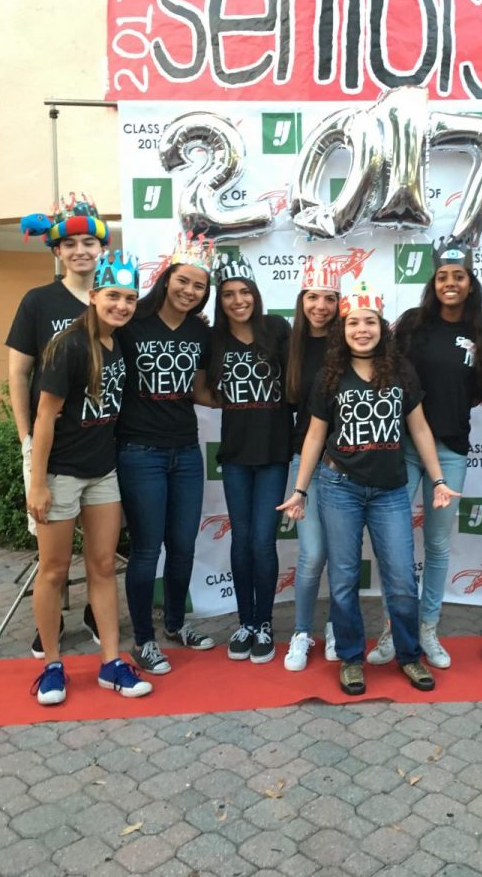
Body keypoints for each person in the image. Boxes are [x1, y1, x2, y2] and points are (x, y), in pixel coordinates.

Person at [277, 280, 460, 697]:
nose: (363, 329)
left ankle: (409, 656)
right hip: (339, 487)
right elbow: (313, 438)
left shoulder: (400, 371)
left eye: (371, 322)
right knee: (342, 578)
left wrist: (439, 480)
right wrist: (301, 491)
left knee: (399, 578)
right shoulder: (330, 374)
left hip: (391, 492)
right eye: (355, 322)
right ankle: (352, 659)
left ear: (382, 327)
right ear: (344, 329)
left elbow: (419, 428)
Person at [27, 251, 152, 705]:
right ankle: (52, 667)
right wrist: (37, 483)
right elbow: (44, 417)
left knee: (102, 566)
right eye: (113, 296)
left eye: (130, 299)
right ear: (94, 295)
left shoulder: (119, 342)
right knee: (54, 570)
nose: (121, 305)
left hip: (103, 473)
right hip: (60, 473)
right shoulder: (69, 344)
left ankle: (110, 662)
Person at [368, 239, 482, 670]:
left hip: (453, 451)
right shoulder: (411, 326)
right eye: (443, 276)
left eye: (458, 276)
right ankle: (392, 628)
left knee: (438, 545)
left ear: (470, 282)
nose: (450, 283)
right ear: (434, 281)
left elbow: (481, 391)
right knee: (395, 544)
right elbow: (387, 376)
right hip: (403, 448)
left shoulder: (481, 334)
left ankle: (427, 630)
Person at [7, 195, 106, 657]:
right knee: (52, 553)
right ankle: (53, 622)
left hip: (101, 446)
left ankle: (93, 613)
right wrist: (27, 440)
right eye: (72, 244)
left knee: (101, 551)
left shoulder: (113, 299)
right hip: (51, 443)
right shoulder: (39, 301)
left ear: (102, 249)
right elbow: (19, 373)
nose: (81, 250)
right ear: (57, 252)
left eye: (90, 242)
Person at [117, 233, 216, 675]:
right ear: (167, 278)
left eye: (198, 286)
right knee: (145, 550)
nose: (189, 291)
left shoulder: (200, 331)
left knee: (182, 546)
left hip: (186, 451)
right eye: (183, 281)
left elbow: (198, 390)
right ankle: (143, 639)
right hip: (140, 452)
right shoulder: (132, 320)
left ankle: (176, 624)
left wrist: (253, 400)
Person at [206, 252, 292, 664]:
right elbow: (198, 389)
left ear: (255, 294)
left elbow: (296, 382)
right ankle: (245, 622)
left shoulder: (277, 328)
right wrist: (229, 403)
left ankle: (264, 623)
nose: (237, 300)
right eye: (228, 295)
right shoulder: (214, 339)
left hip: (274, 452)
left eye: (244, 292)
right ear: (219, 301)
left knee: (262, 540)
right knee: (241, 541)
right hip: (236, 454)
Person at [284, 258, 341, 671]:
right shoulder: (288, 344)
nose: (320, 305)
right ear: (302, 299)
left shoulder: (353, 340)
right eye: (313, 297)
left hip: (347, 463)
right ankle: (302, 631)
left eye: (330, 298)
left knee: (342, 554)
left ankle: (339, 626)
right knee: (312, 553)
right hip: (304, 461)